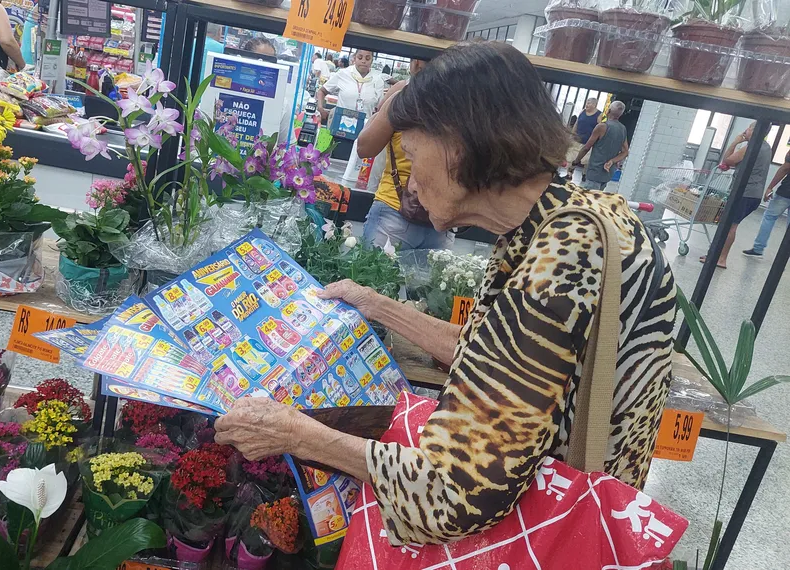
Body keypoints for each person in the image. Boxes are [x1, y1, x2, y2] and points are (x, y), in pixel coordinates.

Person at [215, 42, 675, 546]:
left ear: (458, 144)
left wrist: (298, 435)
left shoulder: (563, 258)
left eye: (412, 154)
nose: (410, 180)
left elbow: (452, 493)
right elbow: (495, 356)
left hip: (547, 532)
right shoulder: (580, 217)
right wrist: (375, 303)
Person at [358, 59, 450, 251]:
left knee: (370, 279)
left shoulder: (404, 97)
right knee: (430, 282)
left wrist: (383, 109)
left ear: (416, 63)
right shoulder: (465, 104)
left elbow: (365, 147)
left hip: (393, 209)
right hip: (443, 217)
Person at [699, 122, 771, 268]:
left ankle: (720, 259)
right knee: (730, 224)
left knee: (730, 226)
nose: (746, 130)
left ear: (756, 130)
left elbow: (728, 160)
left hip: (744, 192)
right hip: (754, 194)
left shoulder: (752, 146)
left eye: (749, 128)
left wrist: (735, 141)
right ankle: (716, 255)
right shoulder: (766, 147)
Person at [316, 49, 386, 127]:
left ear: (372, 60)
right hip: (339, 126)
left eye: (367, 58)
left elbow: (381, 108)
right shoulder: (343, 74)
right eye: (360, 57)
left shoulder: (377, 80)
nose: (363, 61)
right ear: (354, 58)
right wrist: (320, 108)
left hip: (363, 130)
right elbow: (322, 91)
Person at [571, 100, 628, 191]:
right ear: (620, 114)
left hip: (595, 170)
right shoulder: (623, 129)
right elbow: (625, 152)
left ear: (608, 111)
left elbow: (586, 148)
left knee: (588, 199)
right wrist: (612, 161)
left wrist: (575, 161)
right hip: (608, 173)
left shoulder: (602, 127)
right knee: (597, 197)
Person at [744, 151, 790, 259]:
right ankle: (784, 257)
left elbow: (785, 168)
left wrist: (770, 187)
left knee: (769, 217)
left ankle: (758, 249)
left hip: (786, 192)